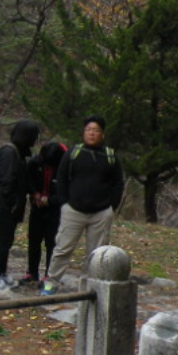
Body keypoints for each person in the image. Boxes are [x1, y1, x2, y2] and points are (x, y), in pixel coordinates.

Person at [42, 116, 124, 297]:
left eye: (96, 130)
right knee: (63, 248)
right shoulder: (73, 153)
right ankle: (51, 282)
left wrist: (112, 206)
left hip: (101, 212)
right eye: (88, 130)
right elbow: (61, 177)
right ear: (83, 132)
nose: (92, 133)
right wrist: (64, 202)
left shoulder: (110, 156)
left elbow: (118, 183)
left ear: (102, 134)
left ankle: (89, 286)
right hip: (73, 210)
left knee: (96, 253)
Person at [0, 120, 41, 290]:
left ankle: (1, 273)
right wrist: (10, 204)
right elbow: (7, 180)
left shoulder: (19, 152)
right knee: (4, 241)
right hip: (5, 205)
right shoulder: (10, 152)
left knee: (7, 241)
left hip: (11, 205)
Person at [25, 141, 67, 283]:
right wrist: (35, 193)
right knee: (34, 240)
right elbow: (28, 180)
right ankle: (31, 272)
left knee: (52, 242)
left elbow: (66, 192)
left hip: (55, 209)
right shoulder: (35, 162)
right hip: (37, 206)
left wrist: (50, 200)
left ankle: (49, 274)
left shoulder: (65, 167)